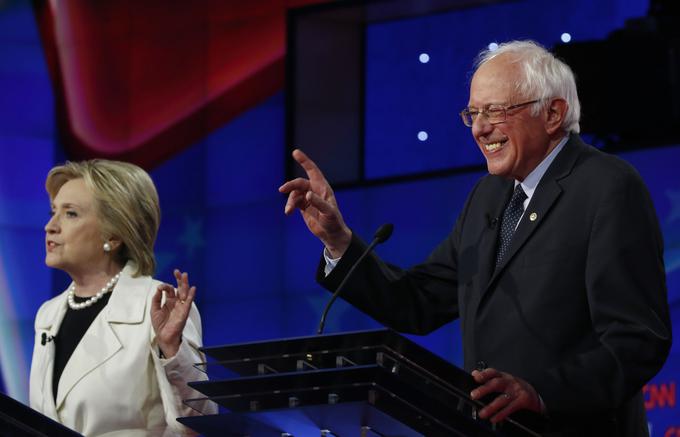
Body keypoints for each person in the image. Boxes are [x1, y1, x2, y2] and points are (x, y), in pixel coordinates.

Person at [279, 40, 671, 436]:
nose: (481, 128)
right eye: (474, 113)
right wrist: (339, 241)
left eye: (496, 111)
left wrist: (542, 393)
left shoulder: (606, 187)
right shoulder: (489, 195)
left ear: (553, 113)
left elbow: (637, 339)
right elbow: (418, 302)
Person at [29, 159, 216, 436]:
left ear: (113, 235)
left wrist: (173, 351)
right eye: (52, 211)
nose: (50, 226)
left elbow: (201, 424)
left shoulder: (158, 304)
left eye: (70, 214)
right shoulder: (48, 314)